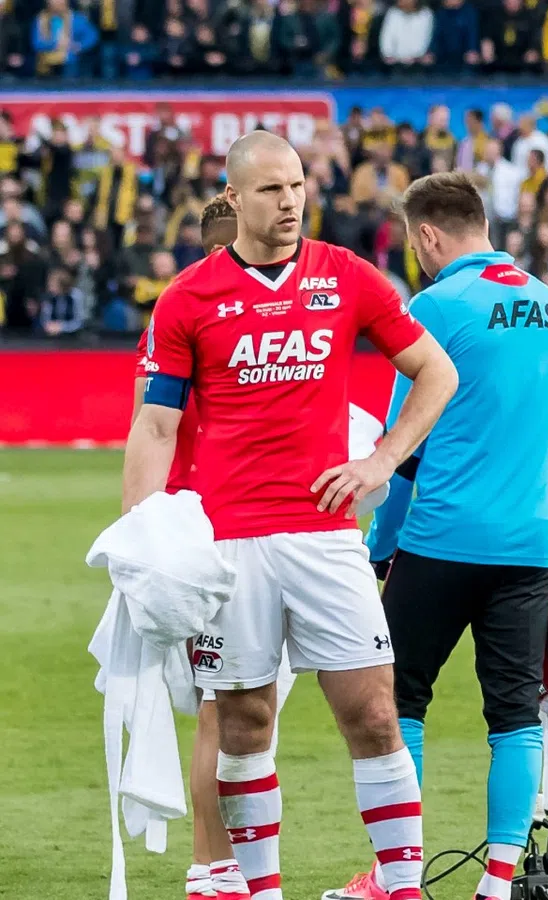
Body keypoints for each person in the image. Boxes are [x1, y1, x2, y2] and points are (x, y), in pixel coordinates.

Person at [123, 130, 459, 900]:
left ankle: (404, 887)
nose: (291, 202)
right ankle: (260, 890)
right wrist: (141, 538)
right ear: (235, 198)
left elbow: (436, 371)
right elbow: (155, 425)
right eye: (273, 190)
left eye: (299, 186)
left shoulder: (346, 277)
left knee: (374, 712)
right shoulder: (188, 299)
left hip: (324, 537)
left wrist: (381, 460)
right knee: (242, 725)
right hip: (229, 544)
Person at [342, 172, 548, 900]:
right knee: (514, 712)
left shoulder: (435, 307)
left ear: (426, 236)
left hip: (439, 540)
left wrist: (381, 545)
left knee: (397, 704)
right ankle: (499, 882)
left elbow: (405, 445)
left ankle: (400, 877)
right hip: (524, 546)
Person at [128, 195, 245, 900]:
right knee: (226, 709)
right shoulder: (206, 309)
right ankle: (213, 866)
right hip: (220, 530)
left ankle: (214, 863)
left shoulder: (174, 311)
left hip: (188, 526)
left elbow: (146, 425)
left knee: (224, 707)